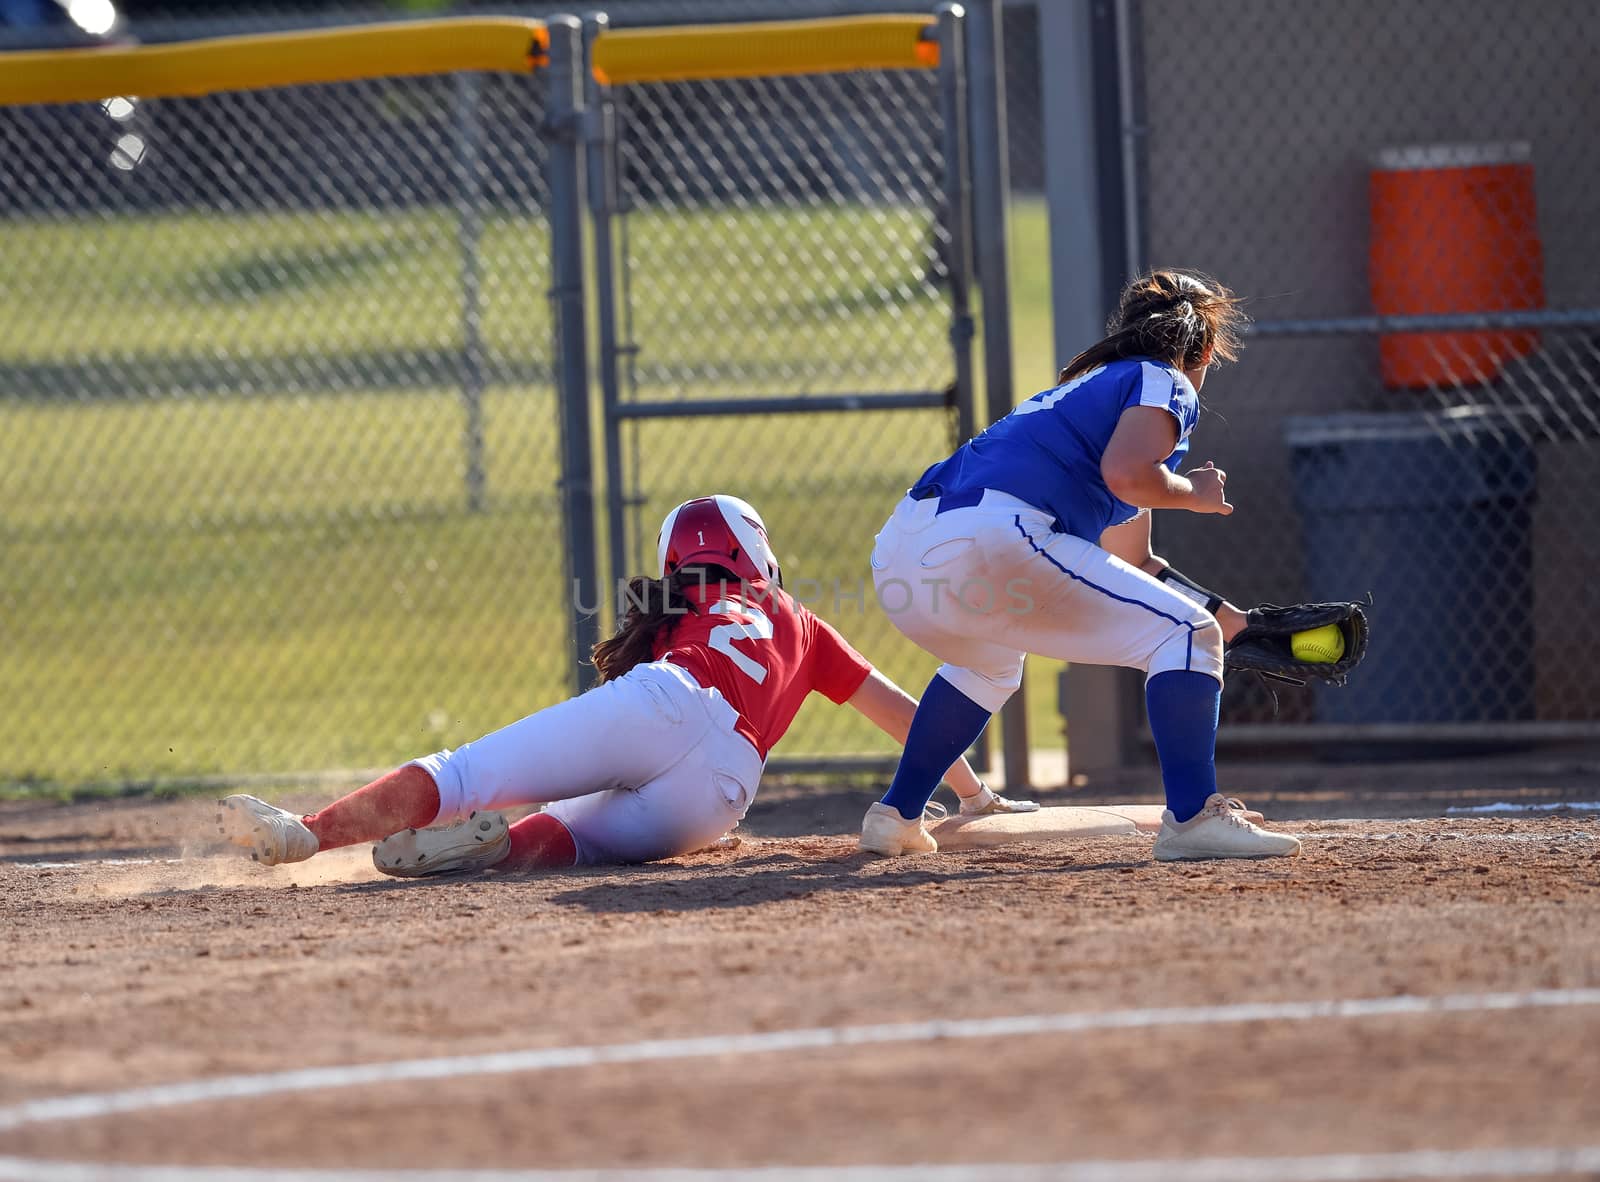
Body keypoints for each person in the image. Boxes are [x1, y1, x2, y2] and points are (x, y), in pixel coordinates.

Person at [217, 495, 1035, 876]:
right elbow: (906, 715)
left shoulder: (677, 613)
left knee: (469, 772)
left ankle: (310, 836)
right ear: (760, 558)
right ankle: (501, 848)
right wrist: (970, 795)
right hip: (719, 796)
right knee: (578, 838)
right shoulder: (801, 621)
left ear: (679, 564)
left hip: (669, 702)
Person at [858, 268, 1302, 862]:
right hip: (991, 538)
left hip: (903, 560)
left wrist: (1227, 619)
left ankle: (896, 815)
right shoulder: (1162, 378)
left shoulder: (1086, 395)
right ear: (1198, 346)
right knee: (1182, 635)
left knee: (989, 665)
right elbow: (1129, 476)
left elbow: (1136, 564)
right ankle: (1194, 817)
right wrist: (1190, 494)